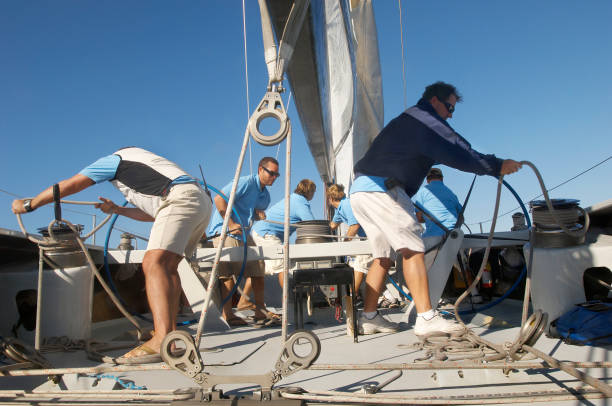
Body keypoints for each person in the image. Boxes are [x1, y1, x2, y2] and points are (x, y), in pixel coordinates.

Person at [350, 81, 522, 336]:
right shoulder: (425, 121)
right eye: (450, 107)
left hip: (361, 191)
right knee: (413, 247)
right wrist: (496, 166)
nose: (451, 114)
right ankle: (427, 318)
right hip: (382, 189)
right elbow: (458, 148)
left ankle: (370, 316)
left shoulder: (410, 121)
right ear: (434, 101)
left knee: (383, 257)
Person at [12, 147, 212, 358]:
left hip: (180, 198)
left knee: (154, 263)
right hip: (199, 202)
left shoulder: (115, 160)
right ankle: (170, 334)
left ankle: (163, 337)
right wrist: (118, 210)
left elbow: (71, 184)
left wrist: (29, 204)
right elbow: (155, 213)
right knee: (167, 265)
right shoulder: (154, 168)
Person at [206, 157, 279, 326]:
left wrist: (257, 214)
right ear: (261, 169)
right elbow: (219, 199)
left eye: (277, 174)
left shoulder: (264, 195)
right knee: (227, 275)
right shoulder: (246, 182)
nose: (274, 177)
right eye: (272, 173)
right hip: (224, 231)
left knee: (258, 269)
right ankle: (228, 315)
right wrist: (230, 224)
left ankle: (260, 311)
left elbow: (251, 211)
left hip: (243, 234)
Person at [414, 167, 482, 304]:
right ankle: (475, 295)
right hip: (453, 236)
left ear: (427, 179)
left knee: (422, 269)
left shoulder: (423, 192)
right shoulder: (451, 193)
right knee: (463, 267)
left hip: (432, 236)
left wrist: (428, 219)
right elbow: (461, 217)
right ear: (442, 178)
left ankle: (426, 300)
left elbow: (419, 216)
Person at [251, 179, 316, 288]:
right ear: (309, 191)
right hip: (267, 234)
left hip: (259, 231)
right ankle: (288, 299)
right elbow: (312, 225)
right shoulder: (301, 203)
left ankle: (244, 299)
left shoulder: (293, 198)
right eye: (313, 192)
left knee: (261, 269)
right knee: (283, 265)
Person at [327, 183, 369, 304]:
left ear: (330, 198)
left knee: (359, 265)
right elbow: (332, 225)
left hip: (371, 237)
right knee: (366, 266)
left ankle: (350, 297)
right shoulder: (339, 209)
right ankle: (386, 296)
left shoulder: (347, 204)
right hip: (366, 239)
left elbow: (355, 225)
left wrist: (345, 243)